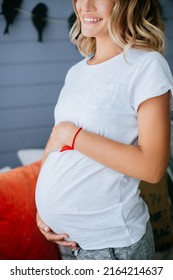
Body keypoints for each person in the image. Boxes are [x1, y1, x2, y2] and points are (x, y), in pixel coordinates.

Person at [35, 0, 173, 260]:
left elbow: (153, 168)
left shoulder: (147, 66)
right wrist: (42, 206)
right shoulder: (75, 72)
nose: (85, 5)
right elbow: (57, 139)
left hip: (112, 245)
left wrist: (74, 136)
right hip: (68, 242)